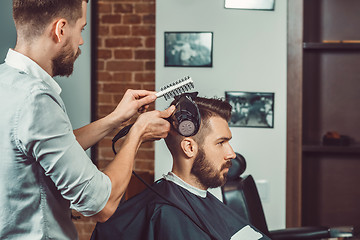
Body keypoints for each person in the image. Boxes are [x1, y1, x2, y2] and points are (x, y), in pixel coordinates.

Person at [0, 0, 174, 239]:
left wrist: (115, 119)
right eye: (81, 29)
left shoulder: (5, 82)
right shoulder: (36, 99)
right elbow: (101, 204)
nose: (81, 41)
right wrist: (137, 133)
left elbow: (49, 147)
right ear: (60, 29)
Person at [91, 96, 270, 240]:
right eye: (221, 142)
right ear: (189, 148)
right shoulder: (165, 212)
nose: (231, 153)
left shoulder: (193, 200)